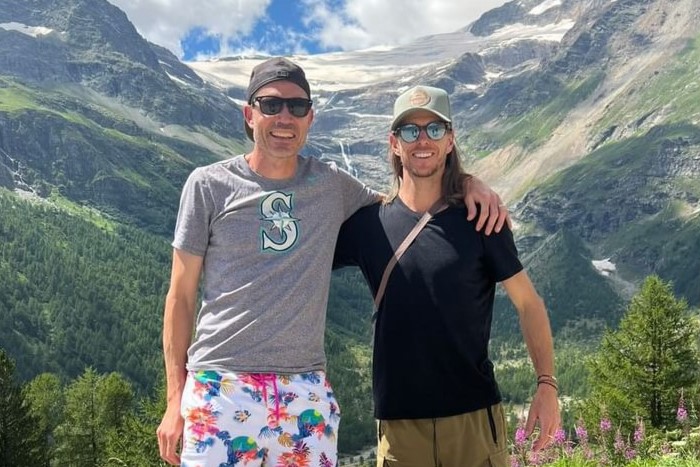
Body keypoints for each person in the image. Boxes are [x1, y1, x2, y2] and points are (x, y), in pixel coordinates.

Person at [156, 58, 509, 467]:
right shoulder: (208, 185)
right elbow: (180, 297)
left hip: (304, 390)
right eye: (271, 105)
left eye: (298, 107)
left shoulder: (333, 185)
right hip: (220, 386)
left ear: (311, 118)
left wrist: (465, 181)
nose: (284, 117)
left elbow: (405, 203)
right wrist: (173, 399)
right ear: (249, 114)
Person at [334, 85, 561, 467]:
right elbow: (300, 258)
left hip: (473, 418)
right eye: (410, 131)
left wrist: (546, 385)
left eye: (434, 130)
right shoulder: (366, 226)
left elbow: (529, 303)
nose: (423, 140)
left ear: (451, 140)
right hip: (400, 424)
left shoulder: (482, 219)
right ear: (394, 143)